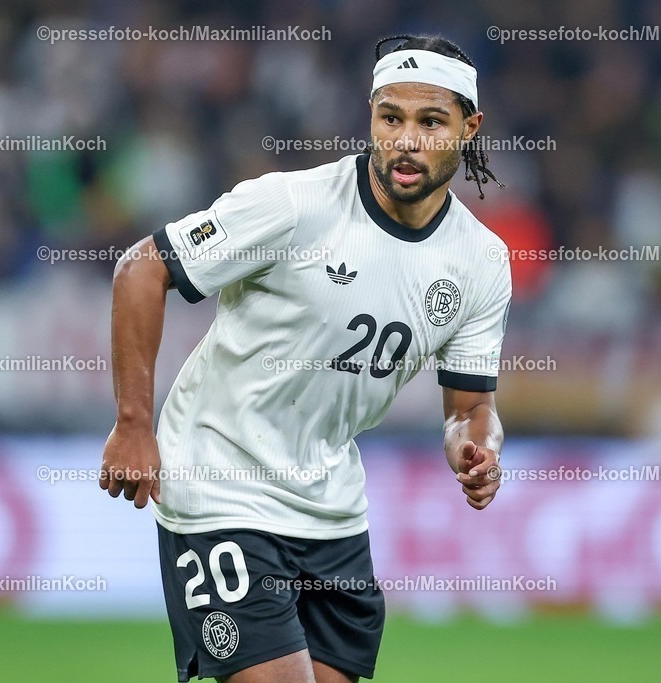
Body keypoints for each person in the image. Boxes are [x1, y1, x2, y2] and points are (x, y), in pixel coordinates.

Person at [100, 34, 512, 683]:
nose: (406, 139)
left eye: (431, 122)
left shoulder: (481, 262)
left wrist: (476, 446)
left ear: (469, 127)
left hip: (331, 509)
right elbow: (140, 269)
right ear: (370, 115)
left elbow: (472, 405)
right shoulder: (295, 206)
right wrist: (132, 422)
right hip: (220, 482)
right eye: (390, 117)